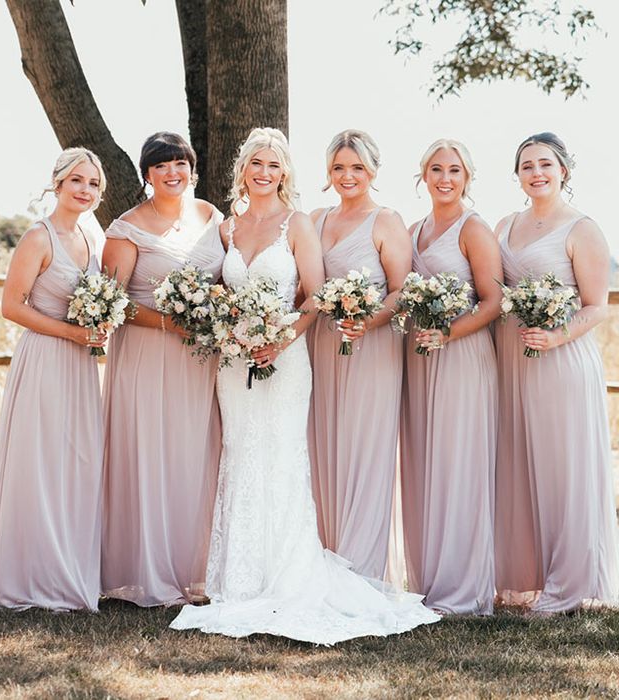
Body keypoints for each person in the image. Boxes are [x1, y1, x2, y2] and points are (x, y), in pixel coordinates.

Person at [170, 127, 439, 644]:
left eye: (274, 166)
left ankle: (289, 576)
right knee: (241, 454)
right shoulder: (226, 229)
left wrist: (280, 339)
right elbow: (209, 286)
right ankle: (240, 580)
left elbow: (315, 297)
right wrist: (228, 325)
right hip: (234, 362)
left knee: (283, 457)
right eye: (256, 165)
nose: (264, 174)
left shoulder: (298, 225)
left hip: (286, 360)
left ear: (285, 173)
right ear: (243, 171)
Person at [0, 147, 107, 611]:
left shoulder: (92, 235)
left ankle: (67, 567)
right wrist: (73, 331)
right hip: (46, 359)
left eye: (92, 183)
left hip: (81, 367)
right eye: (76, 181)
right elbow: (12, 306)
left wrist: (99, 328)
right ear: (57, 184)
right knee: (41, 462)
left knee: (77, 462)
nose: (85, 190)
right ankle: (28, 575)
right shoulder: (38, 237)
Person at [494, 132, 619, 612]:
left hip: (561, 360)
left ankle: (570, 583)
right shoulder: (505, 224)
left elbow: (597, 308)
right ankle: (525, 577)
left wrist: (556, 336)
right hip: (512, 360)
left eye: (545, 164)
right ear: (518, 175)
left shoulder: (582, 228)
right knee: (520, 465)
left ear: (564, 169)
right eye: (526, 165)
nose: (537, 173)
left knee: (562, 466)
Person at [100, 132, 224, 606]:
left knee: (195, 455)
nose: (173, 172)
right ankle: (147, 570)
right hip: (149, 354)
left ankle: (195, 570)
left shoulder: (212, 216)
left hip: (200, 358)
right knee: (150, 452)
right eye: (161, 165)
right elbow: (116, 303)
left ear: (192, 169)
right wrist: (170, 322)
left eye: (180, 163)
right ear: (147, 175)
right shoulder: (126, 228)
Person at [400, 139, 501, 615]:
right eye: (436, 169)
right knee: (426, 463)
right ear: (423, 176)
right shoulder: (412, 228)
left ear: (467, 178)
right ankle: (429, 578)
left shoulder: (473, 228)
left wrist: (448, 333)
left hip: (461, 357)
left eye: (454, 170)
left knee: (459, 463)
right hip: (420, 360)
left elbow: (493, 301)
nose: (444, 178)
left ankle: (463, 588)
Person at [307, 130, 412, 580]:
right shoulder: (314, 219)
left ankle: (362, 572)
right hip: (323, 344)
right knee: (325, 444)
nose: (347, 176)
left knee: (365, 448)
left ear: (372, 170)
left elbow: (401, 291)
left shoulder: (386, 221)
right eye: (338, 168)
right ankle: (327, 558)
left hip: (373, 345)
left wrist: (368, 321)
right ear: (328, 173)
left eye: (356, 168)